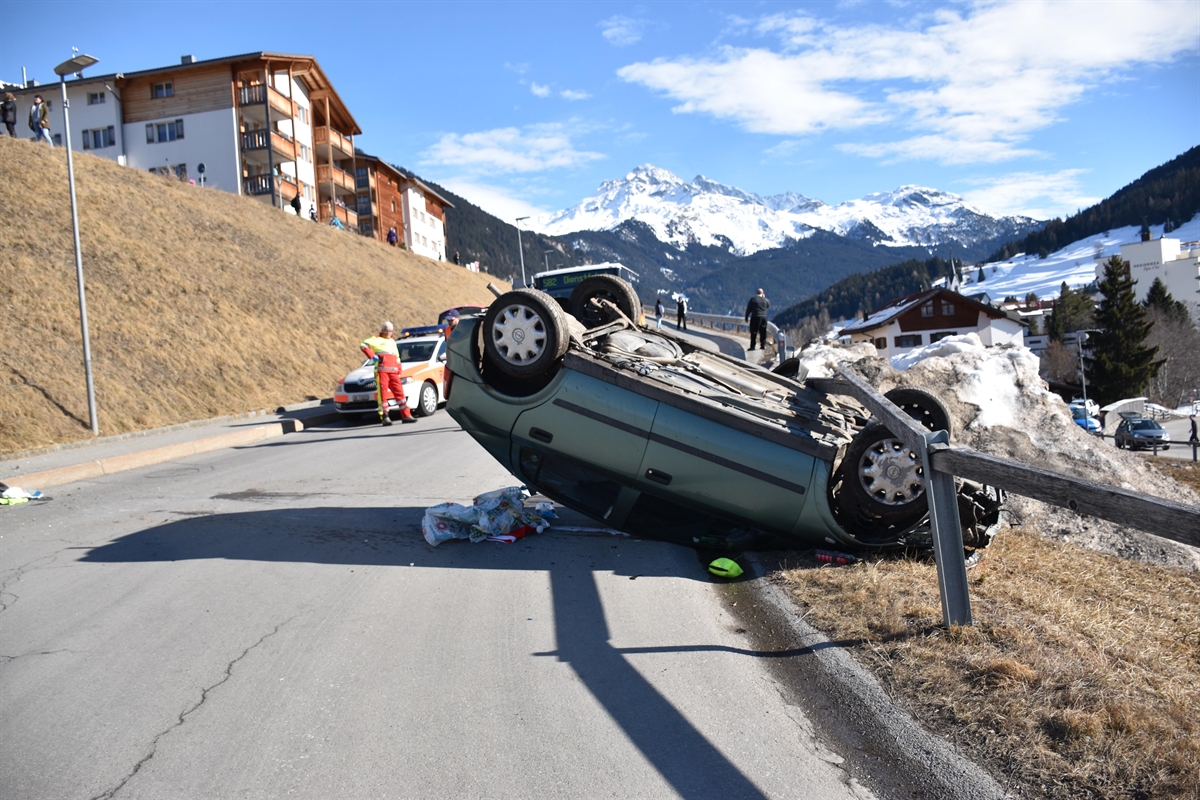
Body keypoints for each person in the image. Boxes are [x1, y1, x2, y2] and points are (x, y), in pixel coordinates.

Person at [360, 322, 416, 426]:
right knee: (383, 395)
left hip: (393, 372)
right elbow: (363, 345)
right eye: (386, 330)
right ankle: (385, 416)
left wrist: (399, 367)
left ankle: (406, 415)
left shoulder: (392, 341)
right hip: (382, 372)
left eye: (390, 331)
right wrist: (372, 356)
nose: (388, 333)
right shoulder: (376, 339)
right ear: (382, 330)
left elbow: (397, 356)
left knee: (400, 393)